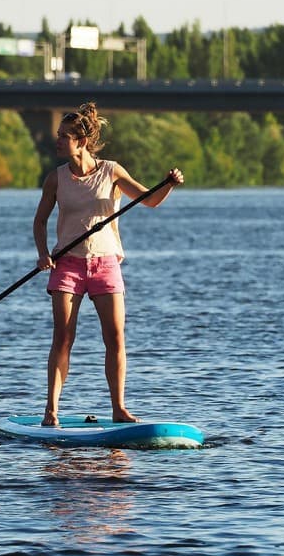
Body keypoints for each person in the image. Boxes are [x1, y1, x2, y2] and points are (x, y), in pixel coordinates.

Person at [32, 101, 183, 427]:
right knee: (63, 338)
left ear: (81, 142)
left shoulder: (111, 171)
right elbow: (40, 222)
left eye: (63, 137)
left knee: (115, 338)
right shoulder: (55, 179)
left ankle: (119, 408)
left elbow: (151, 200)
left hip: (105, 265)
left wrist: (168, 183)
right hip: (67, 266)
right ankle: (51, 411)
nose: (56, 141)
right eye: (58, 135)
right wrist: (43, 253)